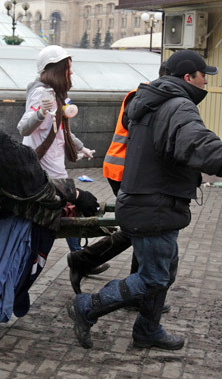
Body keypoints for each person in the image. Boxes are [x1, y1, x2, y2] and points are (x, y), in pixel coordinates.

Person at [67, 50, 222, 350]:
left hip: (151, 200)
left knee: (165, 271)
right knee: (153, 277)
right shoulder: (178, 106)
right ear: (188, 77)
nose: (207, 81)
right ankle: (87, 306)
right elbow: (202, 146)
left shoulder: (155, 102)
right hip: (153, 203)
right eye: (204, 75)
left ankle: (148, 330)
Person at [67, 63, 169, 297]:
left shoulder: (149, 97)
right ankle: (83, 259)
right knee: (139, 228)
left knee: (141, 229)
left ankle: (136, 289)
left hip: (127, 173)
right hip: (125, 173)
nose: (204, 82)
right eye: (200, 77)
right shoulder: (145, 99)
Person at [17, 45, 108, 270]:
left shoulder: (54, 94)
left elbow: (60, 130)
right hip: (44, 169)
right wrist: (39, 113)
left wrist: (82, 147)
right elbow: (23, 128)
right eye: (68, 69)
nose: (71, 73)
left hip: (52, 166)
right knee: (65, 209)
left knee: (66, 210)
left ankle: (79, 258)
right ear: (55, 70)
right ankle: (79, 259)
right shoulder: (42, 93)